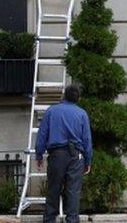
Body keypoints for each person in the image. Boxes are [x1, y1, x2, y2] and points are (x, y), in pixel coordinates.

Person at [35, 84, 93, 223]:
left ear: (64, 95)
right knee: (73, 192)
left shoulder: (51, 111)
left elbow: (42, 135)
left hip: (57, 154)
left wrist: (39, 155)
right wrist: (88, 160)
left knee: (53, 189)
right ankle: (72, 220)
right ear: (77, 98)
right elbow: (87, 139)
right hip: (76, 156)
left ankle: (49, 220)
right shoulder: (81, 114)